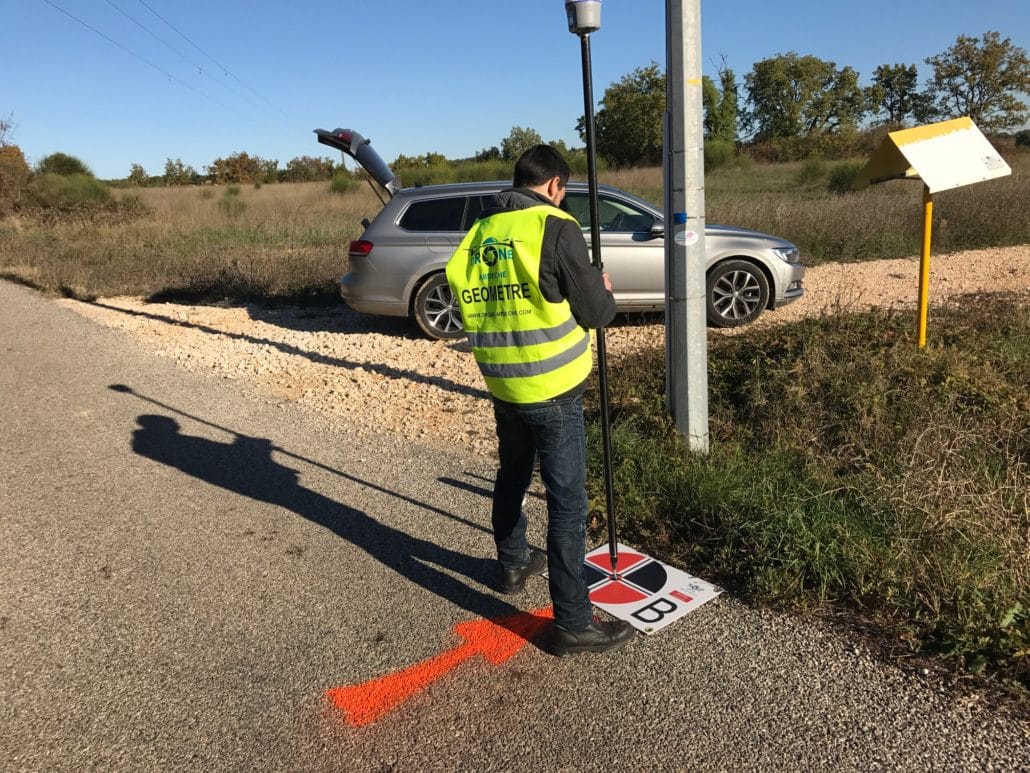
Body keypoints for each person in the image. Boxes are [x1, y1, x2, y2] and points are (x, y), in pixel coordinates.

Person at [445, 145, 633, 656]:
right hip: (552, 388)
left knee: (511, 475)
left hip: (503, 384)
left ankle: (512, 564)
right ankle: (573, 622)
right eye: (563, 192)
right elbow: (596, 313)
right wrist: (604, 289)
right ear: (553, 185)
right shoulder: (556, 226)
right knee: (567, 503)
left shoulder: (479, 233)